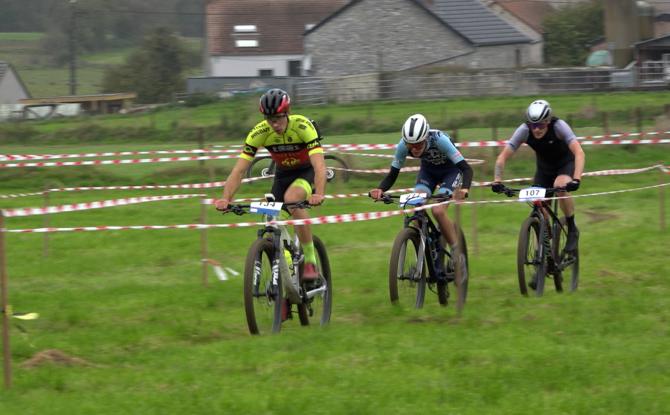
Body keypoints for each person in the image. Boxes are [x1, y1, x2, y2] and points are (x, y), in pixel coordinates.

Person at [214, 88, 326, 281]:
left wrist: (319, 193)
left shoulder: (302, 126)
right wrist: (226, 198)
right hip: (282, 176)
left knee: (292, 199)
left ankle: (310, 261)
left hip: (306, 173)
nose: (274, 124)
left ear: (287, 113)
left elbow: (319, 164)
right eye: (269, 119)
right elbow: (239, 170)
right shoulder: (260, 132)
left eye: (278, 118)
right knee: (270, 218)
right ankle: (288, 281)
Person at [491, 99, 585, 254]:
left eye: (541, 125)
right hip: (544, 169)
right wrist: (497, 180)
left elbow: (579, 152)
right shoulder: (524, 130)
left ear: (548, 122)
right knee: (538, 204)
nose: (536, 129)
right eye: (533, 125)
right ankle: (543, 249)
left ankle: (572, 227)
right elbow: (502, 157)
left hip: (565, 164)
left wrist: (576, 179)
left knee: (560, 186)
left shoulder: (559, 126)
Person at [369, 114, 473, 251]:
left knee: (438, 211)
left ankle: (456, 253)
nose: (414, 149)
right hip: (428, 172)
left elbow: (466, 168)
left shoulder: (440, 140)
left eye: (418, 144)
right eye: (410, 145)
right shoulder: (402, 146)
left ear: (425, 138)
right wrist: (380, 189)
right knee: (416, 206)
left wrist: (465, 189)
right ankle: (424, 255)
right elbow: (393, 174)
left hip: (450, 172)